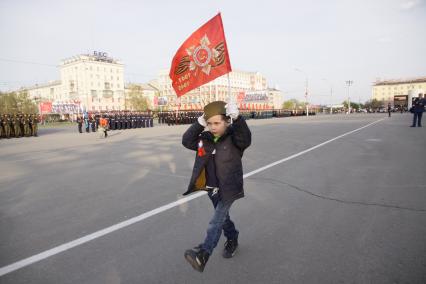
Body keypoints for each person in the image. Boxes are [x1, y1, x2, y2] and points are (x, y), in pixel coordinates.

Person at [182, 100, 251, 273]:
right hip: (211, 187)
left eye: (217, 123)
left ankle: (204, 253)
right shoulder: (204, 139)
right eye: (210, 123)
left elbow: (246, 139)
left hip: (229, 188)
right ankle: (232, 237)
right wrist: (199, 123)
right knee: (223, 218)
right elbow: (186, 140)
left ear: (227, 121)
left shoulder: (235, 139)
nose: (213, 127)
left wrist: (239, 119)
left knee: (216, 221)